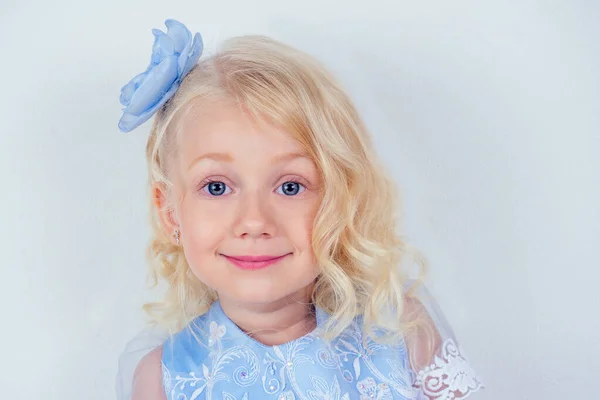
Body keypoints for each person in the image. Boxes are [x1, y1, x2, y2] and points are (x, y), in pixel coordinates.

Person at [115, 19, 484, 400]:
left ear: (339, 198)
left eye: (290, 186)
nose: (255, 221)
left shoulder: (399, 333)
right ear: (170, 212)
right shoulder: (166, 379)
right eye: (217, 187)